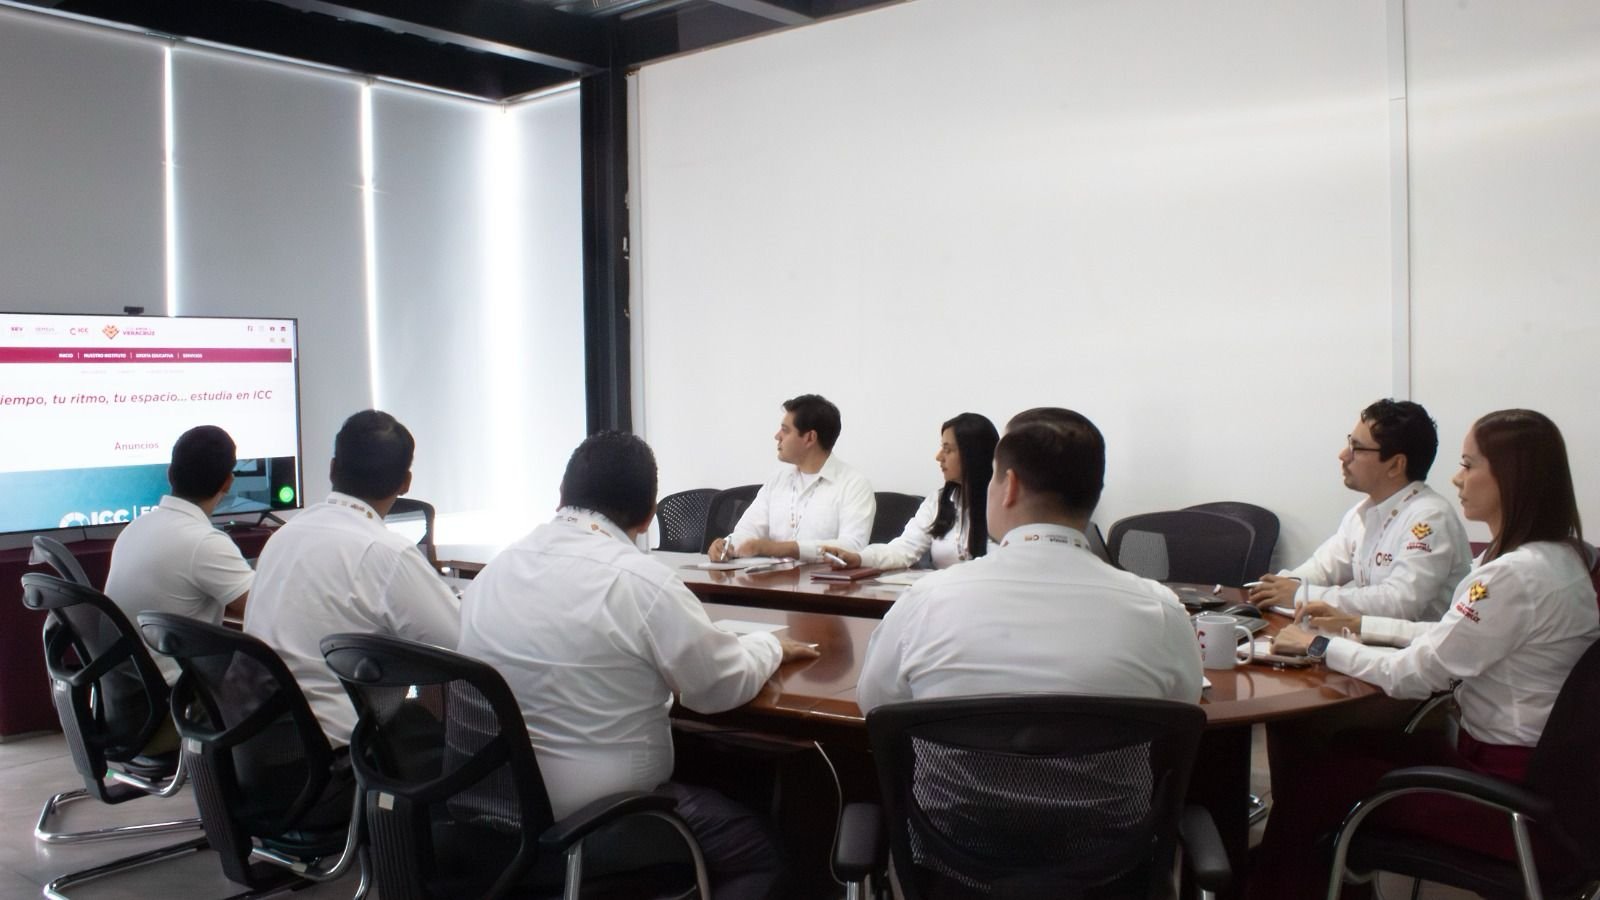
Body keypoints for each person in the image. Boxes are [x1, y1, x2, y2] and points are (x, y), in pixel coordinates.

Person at [1252, 409, 1600, 897]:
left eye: (1469, 465)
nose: (1456, 478)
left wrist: (1319, 645)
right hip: (1545, 782)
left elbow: (1414, 675)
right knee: (1341, 751)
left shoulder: (1512, 575)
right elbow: (1448, 636)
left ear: (1511, 476)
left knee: (1316, 782)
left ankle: (1271, 886)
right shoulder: (1559, 558)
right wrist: (1359, 624)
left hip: (1512, 803)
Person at [458, 431, 819, 900]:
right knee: (760, 852)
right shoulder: (641, 581)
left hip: (491, 816)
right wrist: (768, 646)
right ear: (649, 516)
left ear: (561, 495)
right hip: (599, 821)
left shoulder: (494, 573)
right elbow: (718, 686)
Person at [857, 408, 1202, 711]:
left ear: (1009, 487)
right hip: (1106, 771)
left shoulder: (923, 603)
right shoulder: (1161, 612)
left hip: (955, 770)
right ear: (1094, 491)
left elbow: (875, 703)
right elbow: (1182, 709)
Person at [244, 410, 458, 745]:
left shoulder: (282, 536)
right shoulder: (387, 553)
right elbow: (459, 643)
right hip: (342, 744)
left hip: (266, 736)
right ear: (406, 483)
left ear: (332, 468)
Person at [1247, 399, 1471, 622]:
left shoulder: (1430, 518)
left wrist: (1301, 595)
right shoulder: (1364, 512)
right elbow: (1323, 568)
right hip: (1367, 641)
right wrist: (1279, 586)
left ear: (1395, 465)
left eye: (1357, 448)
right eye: (1349, 443)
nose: (1343, 455)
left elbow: (1400, 603)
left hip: (1411, 643)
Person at [104, 424, 254, 685]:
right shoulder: (205, 543)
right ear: (228, 482)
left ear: (170, 473)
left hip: (133, 686)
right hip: (182, 691)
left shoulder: (134, 528)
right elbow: (263, 607)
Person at [707, 394, 875, 564]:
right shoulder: (777, 480)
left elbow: (853, 546)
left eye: (785, 430)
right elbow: (747, 531)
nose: (777, 436)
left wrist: (782, 549)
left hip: (822, 580)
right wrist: (726, 545)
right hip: (770, 577)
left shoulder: (854, 485)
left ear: (810, 438)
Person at [820, 412, 998, 571]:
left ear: (972, 454)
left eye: (948, 449)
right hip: (941, 593)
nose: (938, 457)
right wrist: (859, 558)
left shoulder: (1003, 504)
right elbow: (904, 549)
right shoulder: (938, 501)